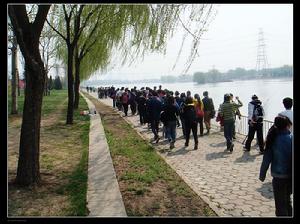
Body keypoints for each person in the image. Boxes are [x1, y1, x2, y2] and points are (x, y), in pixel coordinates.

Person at [259, 116, 292, 216]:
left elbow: (266, 160)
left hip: (278, 177)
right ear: (287, 125)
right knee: (287, 201)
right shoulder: (291, 138)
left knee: (280, 204)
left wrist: (262, 175)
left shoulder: (272, 140)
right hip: (291, 176)